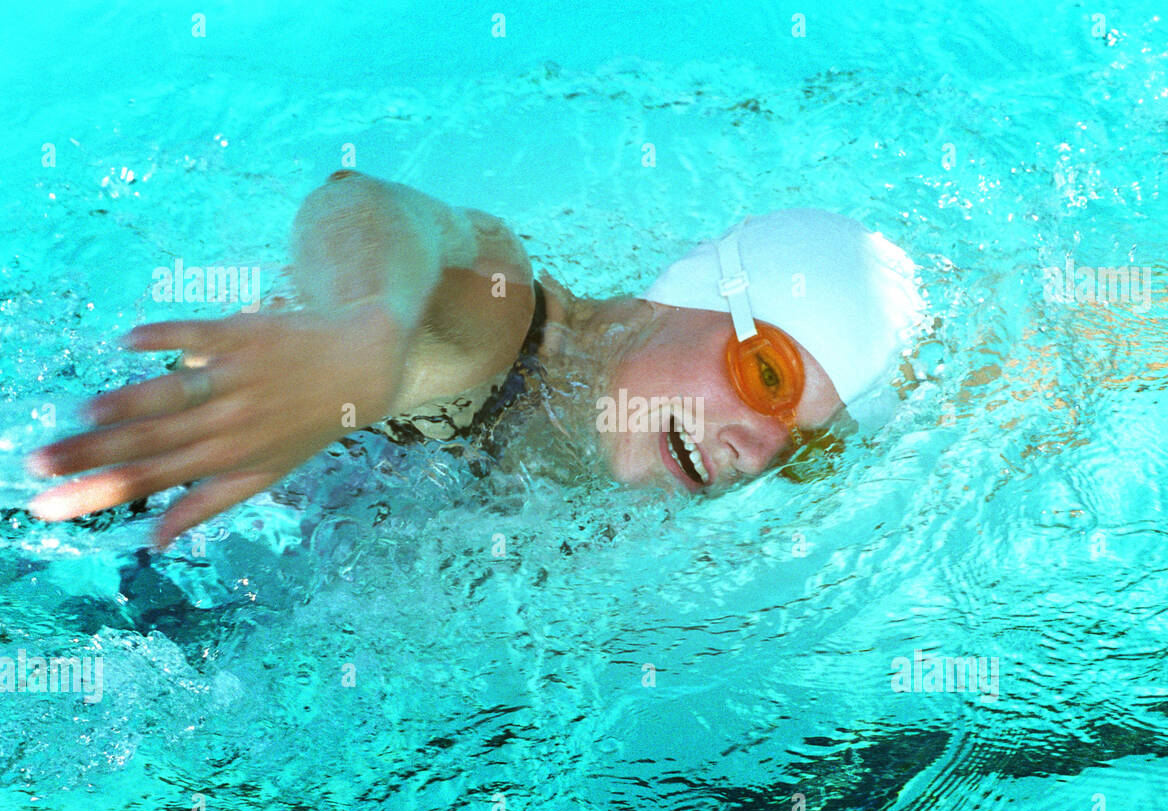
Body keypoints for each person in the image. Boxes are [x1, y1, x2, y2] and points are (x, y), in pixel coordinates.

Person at [24, 171, 928, 549]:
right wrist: (363, 341)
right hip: (76, 489)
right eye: (767, 377)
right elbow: (369, 208)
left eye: (801, 451)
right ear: (692, 292)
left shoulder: (589, 482)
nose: (757, 452)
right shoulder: (506, 321)